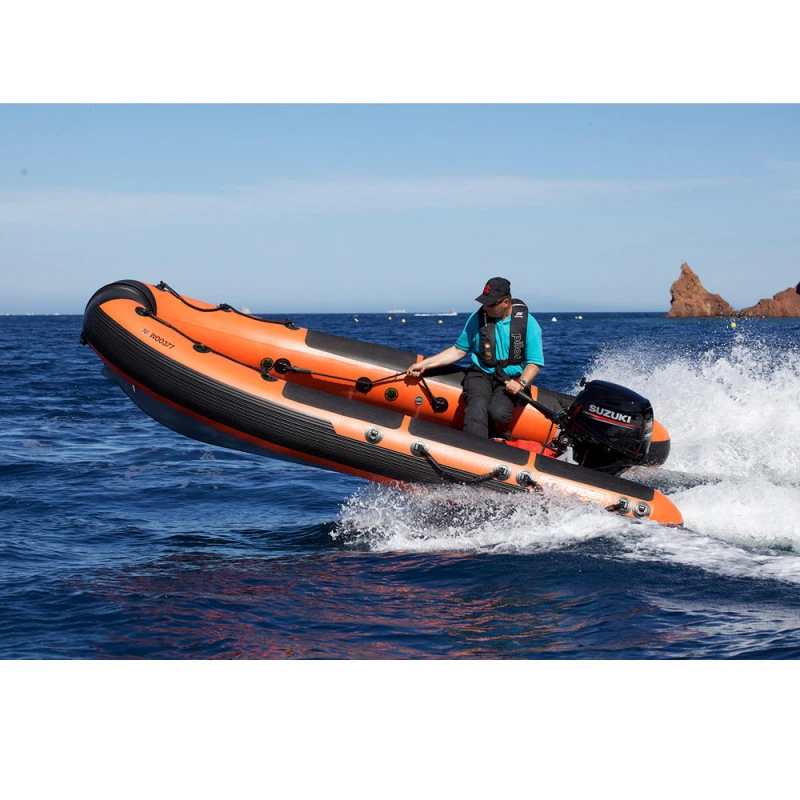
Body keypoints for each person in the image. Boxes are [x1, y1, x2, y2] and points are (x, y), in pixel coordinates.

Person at [406, 277, 544, 439]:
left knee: (498, 413)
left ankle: (498, 444)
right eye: (484, 302)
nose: (485, 307)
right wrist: (425, 364)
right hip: (481, 373)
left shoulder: (529, 324)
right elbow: (458, 350)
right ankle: (474, 448)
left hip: (512, 379)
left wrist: (521, 383)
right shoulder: (477, 318)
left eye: (490, 304)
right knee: (476, 410)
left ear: (506, 303)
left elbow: (534, 362)